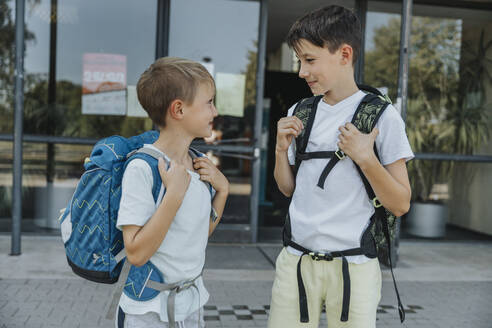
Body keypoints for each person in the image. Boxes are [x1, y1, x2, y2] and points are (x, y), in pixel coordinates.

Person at [269, 5, 414, 328]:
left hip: (354, 267)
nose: (301, 72)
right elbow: (288, 188)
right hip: (295, 261)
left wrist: (365, 157)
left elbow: (401, 203)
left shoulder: (381, 117)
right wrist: (281, 151)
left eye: (309, 60)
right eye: (299, 61)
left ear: (344, 55)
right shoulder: (300, 111)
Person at [116, 57, 229, 327]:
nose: (214, 112)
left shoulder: (196, 162)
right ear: (178, 109)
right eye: (209, 102)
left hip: (191, 305)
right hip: (148, 312)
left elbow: (196, 236)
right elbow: (136, 253)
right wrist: (174, 197)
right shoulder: (143, 168)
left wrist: (222, 192)